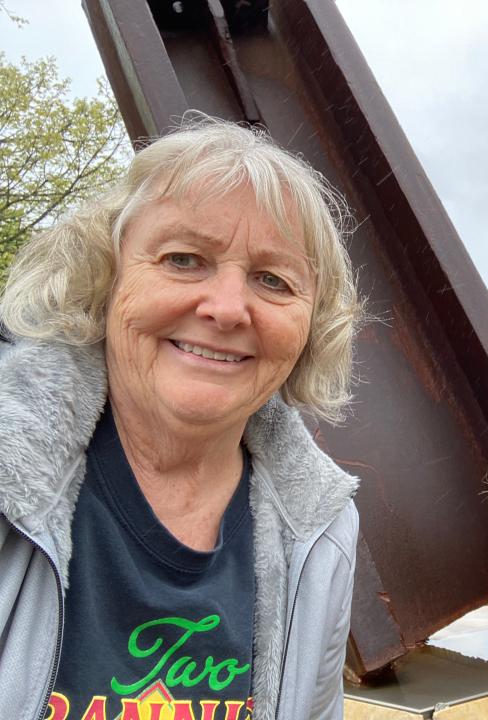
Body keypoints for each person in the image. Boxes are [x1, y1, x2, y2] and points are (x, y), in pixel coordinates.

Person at [0, 117, 361, 720]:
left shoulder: (321, 528)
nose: (225, 309)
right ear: (107, 278)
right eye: (184, 259)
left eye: (273, 280)